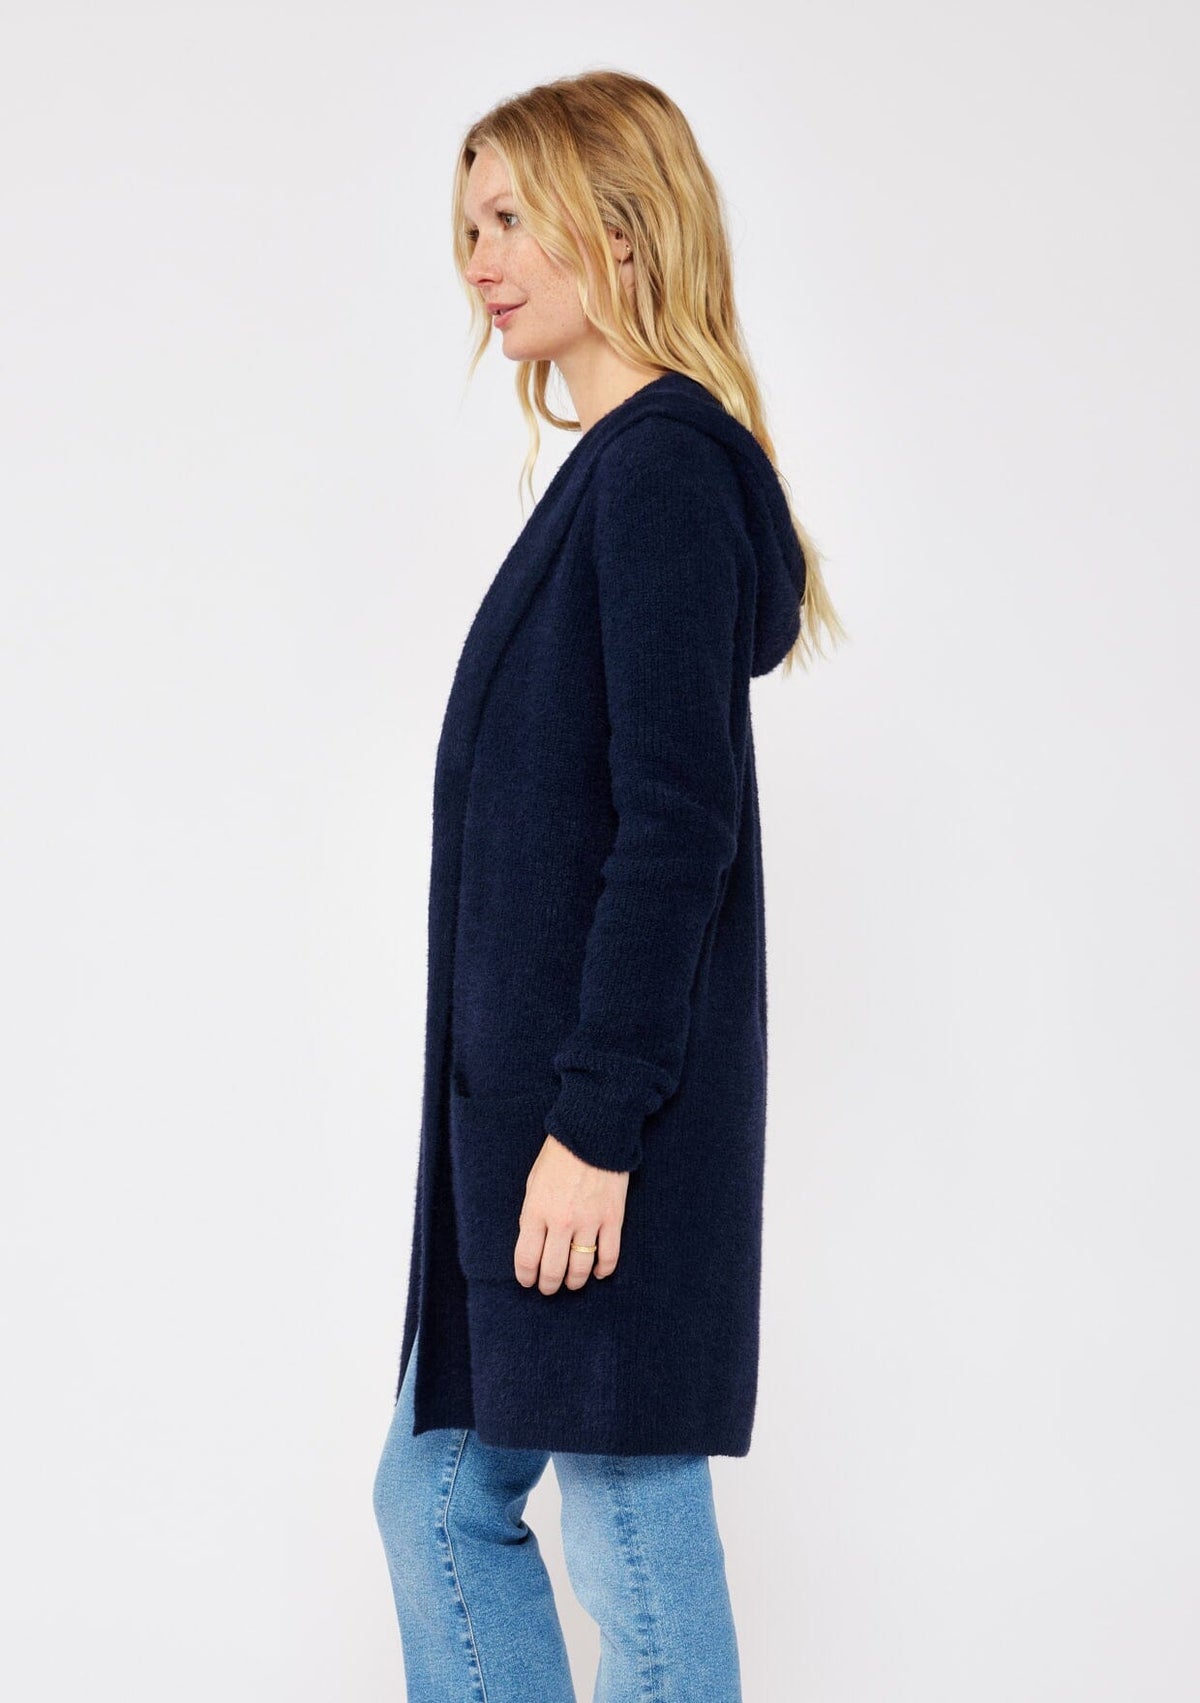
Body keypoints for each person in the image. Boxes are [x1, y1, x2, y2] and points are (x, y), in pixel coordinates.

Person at [372, 67, 844, 1703]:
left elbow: (675, 827)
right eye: (469, 228)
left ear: (624, 230)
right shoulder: (617, 477)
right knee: (442, 1495)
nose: (481, 260)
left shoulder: (658, 476)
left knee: (628, 1529)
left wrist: (593, 1125)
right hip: (529, 1130)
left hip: (591, 1133)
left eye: (513, 219)